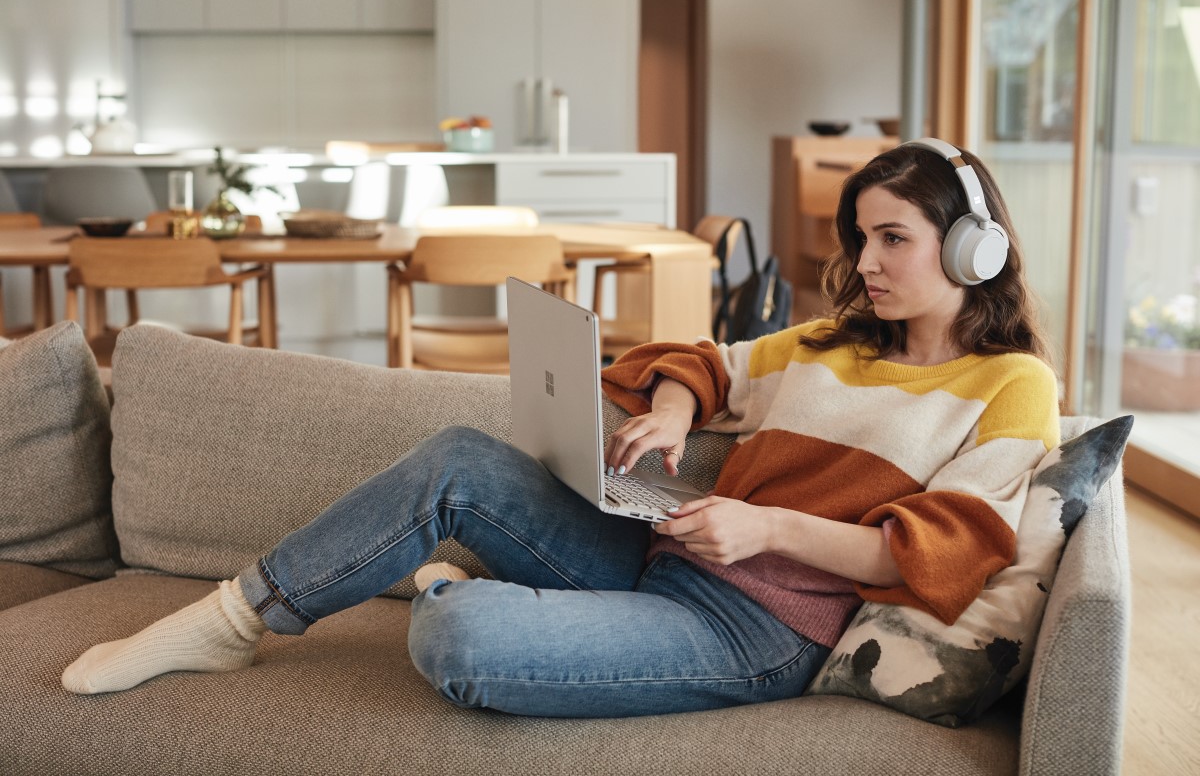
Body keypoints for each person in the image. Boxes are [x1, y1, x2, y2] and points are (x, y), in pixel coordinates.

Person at [61, 139, 1060, 719]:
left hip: (757, 629)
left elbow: (943, 556)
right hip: (666, 554)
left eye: (893, 237)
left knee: (455, 632)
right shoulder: (831, 340)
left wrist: (766, 529)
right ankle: (230, 622)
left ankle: (472, 591)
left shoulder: (1010, 384)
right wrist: (674, 407)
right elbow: (704, 362)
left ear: (973, 250)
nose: (867, 260)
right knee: (458, 456)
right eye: (861, 237)